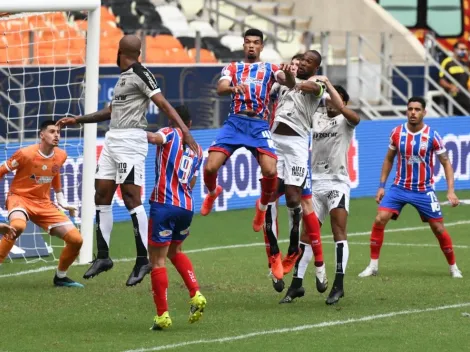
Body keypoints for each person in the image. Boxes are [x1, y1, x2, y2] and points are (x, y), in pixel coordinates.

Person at [56, 35, 197, 286]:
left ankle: (143, 259)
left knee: (131, 197)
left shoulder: (142, 73)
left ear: (120, 51)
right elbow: (111, 111)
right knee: (101, 193)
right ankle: (104, 256)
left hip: (131, 140)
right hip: (112, 139)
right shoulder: (124, 77)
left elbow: (163, 103)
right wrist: (77, 120)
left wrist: (185, 132)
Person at [199, 28, 296, 232]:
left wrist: (288, 73)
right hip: (235, 122)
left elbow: (289, 82)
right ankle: (213, 191)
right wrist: (232, 89)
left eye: (256, 42)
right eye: (248, 42)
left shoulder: (270, 68)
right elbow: (220, 88)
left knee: (270, 171)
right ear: (244, 45)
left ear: (261, 46)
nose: (251, 45)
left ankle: (261, 206)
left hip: (258, 124)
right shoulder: (233, 68)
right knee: (209, 168)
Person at [358, 96, 462, 279]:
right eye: (410, 109)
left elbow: (446, 163)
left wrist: (450, 190)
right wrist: (381, 186)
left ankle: (453, 267)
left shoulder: (432, 136)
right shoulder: (397, 133)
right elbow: (389, 159)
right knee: (380, 218)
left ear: (424, 112)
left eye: (417, 109)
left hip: (424, 190)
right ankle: (372, 266)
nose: (413, 112)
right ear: (406, 111)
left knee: (438, 228)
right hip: (399, 188)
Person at [280, 84, 360, 305]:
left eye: (335, 99)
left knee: (338, 230)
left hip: (338, 182)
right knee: (307, 234)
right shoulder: (316, 116)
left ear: (342, 100)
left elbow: (355, 117)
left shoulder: (346, 120)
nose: (330, 102)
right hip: (314, 182)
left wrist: (336, 98)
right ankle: (296, 284)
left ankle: (339, 284)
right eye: (328, 98)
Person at [0, 121, 84, 287]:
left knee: (76, 240)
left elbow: (55, 171)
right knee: (17, 227)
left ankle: (60, 277)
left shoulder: (61, 155)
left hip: (43, 203)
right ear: (41, 135)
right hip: (20, 198)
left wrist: (61, 200)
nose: (57, 135)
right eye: (52, 131)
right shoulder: (25, 154)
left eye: (58, 132)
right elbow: (1, 171)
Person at [146, 106, 206, 330]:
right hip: (186, 207)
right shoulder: (198, 150)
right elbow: (191, 182)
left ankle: (162, 315)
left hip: (163, 204)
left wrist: (131, 132)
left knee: (157, 261)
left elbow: (154, 138)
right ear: (189, 124)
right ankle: (196, 293)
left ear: (173, 120)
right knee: (175, 251)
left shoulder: (169, 133)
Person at [438, 41, 470, 115]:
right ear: (455, 50)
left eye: (465, 49)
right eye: (461, 49)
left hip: (465, 96)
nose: (464, 51)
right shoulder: (447, 62)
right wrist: (450, 86)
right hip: (453, 96)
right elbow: (441, 80)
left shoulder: (466, 64)